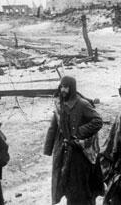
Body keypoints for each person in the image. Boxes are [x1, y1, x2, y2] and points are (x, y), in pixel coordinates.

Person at [44, 76, 104, 205]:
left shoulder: (82, 104)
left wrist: (78, 133)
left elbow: (98, 121)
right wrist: (48, 148)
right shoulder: (59, 105)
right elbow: (54, 126)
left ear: (72, 88)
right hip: (64, 152)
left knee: (82, 189)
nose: (63, 90)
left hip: (80, 154)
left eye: (66, 87)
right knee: (67, 188)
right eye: (61, 87)